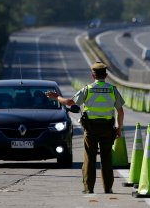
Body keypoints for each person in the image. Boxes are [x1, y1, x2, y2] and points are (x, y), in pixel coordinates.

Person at [46, 62, 125, 193]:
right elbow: (120, 111)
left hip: (91, 129)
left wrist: (56, 97)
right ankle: (108, 188)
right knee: (106, 158)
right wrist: (119, 128)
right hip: (107, 129)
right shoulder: (112, 89)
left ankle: (89, 188)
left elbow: (69, 102)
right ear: (105, 75)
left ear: (92, 75)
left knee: (90, 158)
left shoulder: (87, 89)